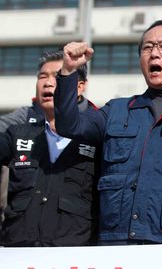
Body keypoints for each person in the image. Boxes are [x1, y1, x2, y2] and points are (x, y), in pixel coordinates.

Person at [53, 20, 162, 247]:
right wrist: (68, 72)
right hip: (115, 245)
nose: (154, 53)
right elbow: (69, 125)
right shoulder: (116, 111)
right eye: (147, 47)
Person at [0, 50, 98, 246]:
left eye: (57, 76)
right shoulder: (17, 133)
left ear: (80, 87)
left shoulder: (98, 134)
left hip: (73, 255)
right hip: (17, 254)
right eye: (42, 76)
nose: (48, 82)